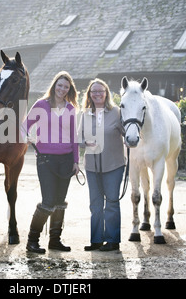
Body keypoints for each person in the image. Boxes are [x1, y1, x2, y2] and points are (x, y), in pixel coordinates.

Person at [24, 71, 79, 254]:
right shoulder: (41, 105)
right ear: (54, 85)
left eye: (66, 87)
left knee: (60, 201)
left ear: (69, 89)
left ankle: (55, 240)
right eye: (60, 85)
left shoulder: (70, 109)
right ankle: (32, 241)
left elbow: (74, 137)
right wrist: (27, 138)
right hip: (45, 160)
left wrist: (76, 161)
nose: (62, 89)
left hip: (66, 160)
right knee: (48, 201)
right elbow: (25, 126)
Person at [78, 78, 125, 251]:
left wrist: (129, 140)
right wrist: (85, 142)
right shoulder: (85, 114)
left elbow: (127, 132)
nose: (97, 94)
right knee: (95, 204)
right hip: (92, 166)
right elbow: (79, 138)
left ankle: (112, 240)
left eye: (101, 91)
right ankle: (96, 240)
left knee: (112, 202)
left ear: (106, 93)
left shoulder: (117, 112)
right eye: (94, 91)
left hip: (114, 165)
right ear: (89, 94)